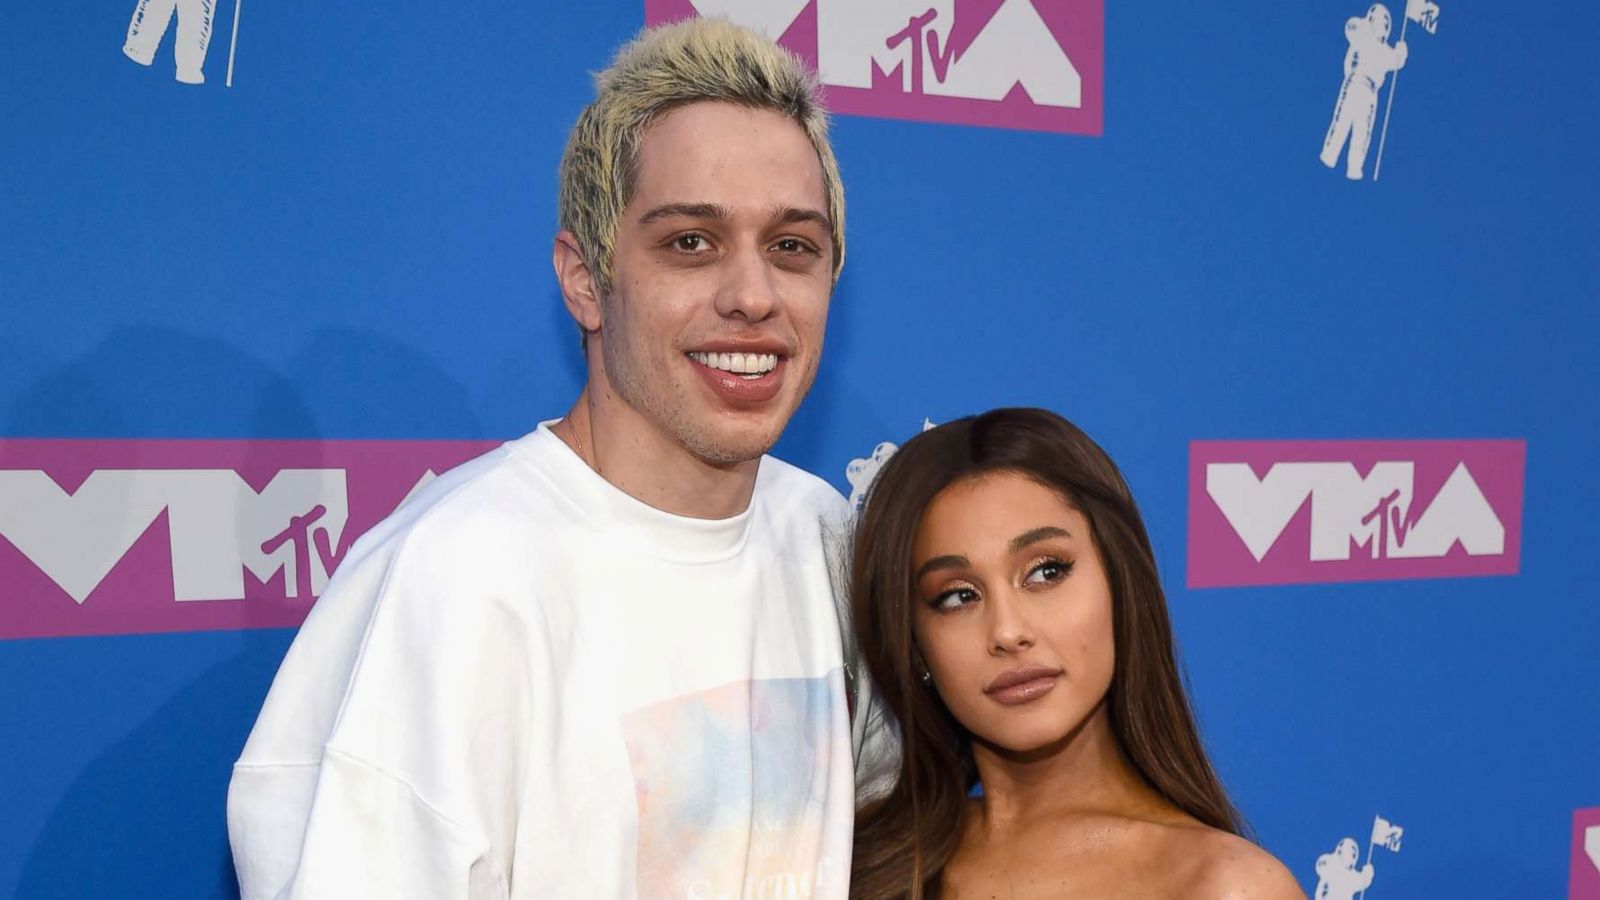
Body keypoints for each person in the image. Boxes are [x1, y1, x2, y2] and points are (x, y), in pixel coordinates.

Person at [227, 18, 891, 899]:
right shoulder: (451, 579)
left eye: (791, 247)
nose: (752, 296)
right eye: (690, 242)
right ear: (585, 280)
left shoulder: (834, 546)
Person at [847, 408, 1303, 899]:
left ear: (1121, 585)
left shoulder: (1226, 886)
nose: (1008, 630)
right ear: (916, 648)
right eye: (958, 596)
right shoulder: (855, 860)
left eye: (1046, 572)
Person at [1319, 3, 1408, 181]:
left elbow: (1396, 61)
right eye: (1379, 21)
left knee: (1363, 129)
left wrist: (1401, 51)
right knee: (1343, 120)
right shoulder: (1362, 35)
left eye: (1385, 23)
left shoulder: (1384, 51)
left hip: (1371, 91)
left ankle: (1354, 167)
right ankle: (1330, 154)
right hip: (1356, 80)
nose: (1382, 26)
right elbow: (1350, 28)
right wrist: (1363, 25)